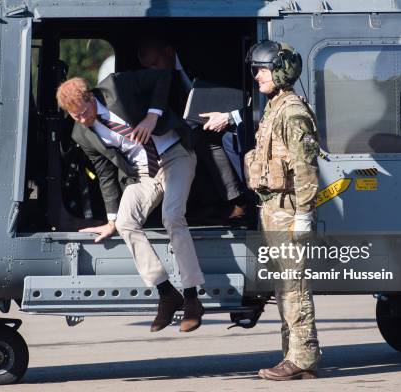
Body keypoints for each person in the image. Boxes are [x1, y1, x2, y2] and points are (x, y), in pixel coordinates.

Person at [56, 72, 205, 333]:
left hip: (174, 154)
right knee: (126, 223)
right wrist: (110, 219)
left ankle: (192, 298)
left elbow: (162, 78)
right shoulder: (82, 134)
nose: (81, 120)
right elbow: (104, 173)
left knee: (172, 216)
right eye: (74, 116)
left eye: (83, 113)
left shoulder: (115, 87)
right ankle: (167, 293)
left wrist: (152, 115)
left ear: (90, 98)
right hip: (143, 174)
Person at [243, 40, 321, 380]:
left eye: (262, 69)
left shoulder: (291, 111)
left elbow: (306, 168)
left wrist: (304, 214)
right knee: (284, 287)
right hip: (273, 208)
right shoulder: (276, 105)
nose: (257, 76)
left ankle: (302, 357)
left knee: (294, 286)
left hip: (289, 210)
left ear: (280, 70)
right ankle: (294, 353)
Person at [137, 38, 248, 220]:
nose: (154, 71)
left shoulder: (202, 58)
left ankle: (240, 202)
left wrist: (227, 115)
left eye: (156, 63)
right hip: (200, 125)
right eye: (149, 67)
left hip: (230, 116)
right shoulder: (163, 77)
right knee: (188, 145)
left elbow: (230, 88)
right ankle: (217, 203)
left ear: (170, 52)